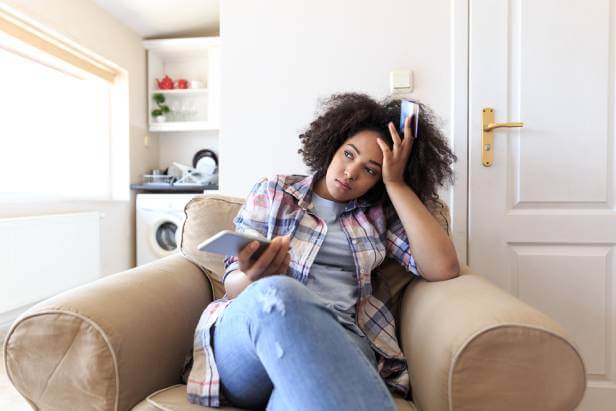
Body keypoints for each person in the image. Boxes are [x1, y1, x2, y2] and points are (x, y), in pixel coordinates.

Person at [186, 92, 460, 410]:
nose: (350, 172)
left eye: (371, 170)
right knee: (278, 290)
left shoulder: (379, 215)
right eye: (348, 154)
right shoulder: (274, 191)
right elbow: (233, 287)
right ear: (333, 146)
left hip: (338, 335)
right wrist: (253, 277)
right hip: (250, 340)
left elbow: (443, 267)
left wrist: (396, 184)